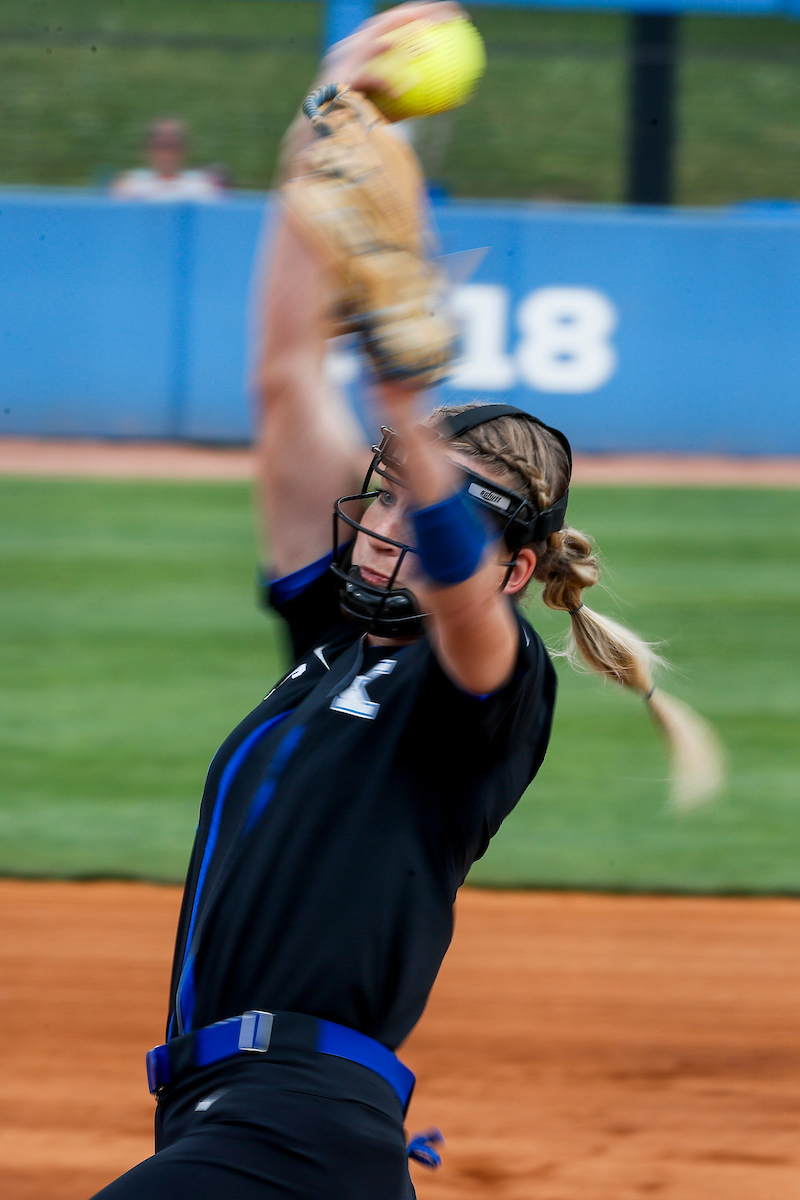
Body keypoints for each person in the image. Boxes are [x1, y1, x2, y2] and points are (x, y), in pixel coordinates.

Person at [92, 5, 720, 1197]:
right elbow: (282, 377)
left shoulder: (488, 683)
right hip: (235, 1124)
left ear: (518, 570)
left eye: (422, 509)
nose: (386, 519)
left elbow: (454, 589)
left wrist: (404, 401)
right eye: (378, 496)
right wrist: (323, 118)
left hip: (292, 1129)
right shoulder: (331, 636)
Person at [111, 118, 223, 203]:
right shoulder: (131, 185)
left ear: (184, 150)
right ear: (147, 150)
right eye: (159, 146)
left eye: (172, 146)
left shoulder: (202, 187)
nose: (166, 155)